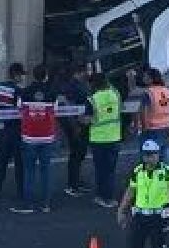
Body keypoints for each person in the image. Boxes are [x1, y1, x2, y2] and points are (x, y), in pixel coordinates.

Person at [17, 68, 58, 214]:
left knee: (29, 171)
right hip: (47, 136)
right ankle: (46, 204)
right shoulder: (52, 92)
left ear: (33, 76)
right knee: (46, 171)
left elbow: (20, 110)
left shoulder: (25, 92)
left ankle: (28, 204)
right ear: (45, 76)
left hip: (29, 137)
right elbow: (55, 111)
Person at [87, 72, 123, 209]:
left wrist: (80, 119)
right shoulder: (116, 95)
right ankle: (110, 197)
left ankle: (102, 197)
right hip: (114, 137)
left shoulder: (93, 99)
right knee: (110, 170)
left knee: (100, 170)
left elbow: (87, 119)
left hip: (99, 139)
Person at [0, 63, 27, 203]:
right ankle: (21, 190)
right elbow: (21, 109)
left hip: (3, 129)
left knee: (2, 161)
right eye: (21, 75)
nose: (22, 78)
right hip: (16, 129)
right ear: (16, 74)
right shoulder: (18, 91)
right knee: (19, 162)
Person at [58, 64, 93, 197]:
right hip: (76, 125)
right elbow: (69, 107)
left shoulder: (76, 85)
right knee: (76, 154)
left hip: (79, 124)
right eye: (86, 71)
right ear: (80, 72)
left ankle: (77, 180)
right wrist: (75, 126)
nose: (87, 73)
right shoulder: (74, 87)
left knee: (79, 153)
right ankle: (73, 184)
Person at [137, 68, 169, 165]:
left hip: (151, 129)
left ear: (151, 78)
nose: (143, 78)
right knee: (165, 154)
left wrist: (144, 129)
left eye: (145, 76)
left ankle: (151, 177)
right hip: (165, 127)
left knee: (149, 157)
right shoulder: (168, 91)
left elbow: (143, 112)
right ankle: (165, 175)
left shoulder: (148, 93)